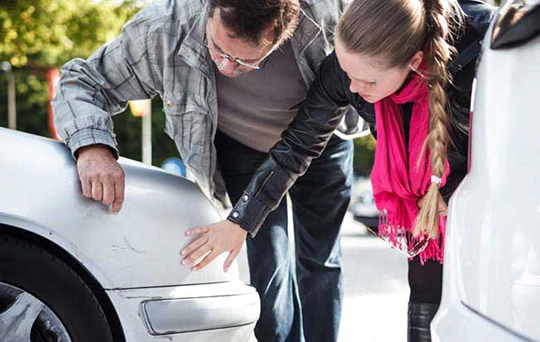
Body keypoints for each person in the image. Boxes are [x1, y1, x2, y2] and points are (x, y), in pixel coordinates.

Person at [52, 1, 353, 341]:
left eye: (245, 62)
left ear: (282, 32)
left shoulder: (327, 16)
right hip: (244, 148)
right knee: (269, 262)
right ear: (210, 10)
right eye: (218, 49)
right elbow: (81, 82)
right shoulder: (165, 27)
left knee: (321, 261)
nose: (226, 66)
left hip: (321, 141)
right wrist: (93, 147)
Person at [249, 0, 493, 340]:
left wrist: (452, 193)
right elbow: (298, 145)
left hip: (488, 205)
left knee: (486, 302)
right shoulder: (353, 65)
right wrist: (242, 219)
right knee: (424, 284)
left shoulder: (484, 47)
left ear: (414, 63)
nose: (351, 87)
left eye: (365, 81)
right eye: (348, 74)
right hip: (425, 208)